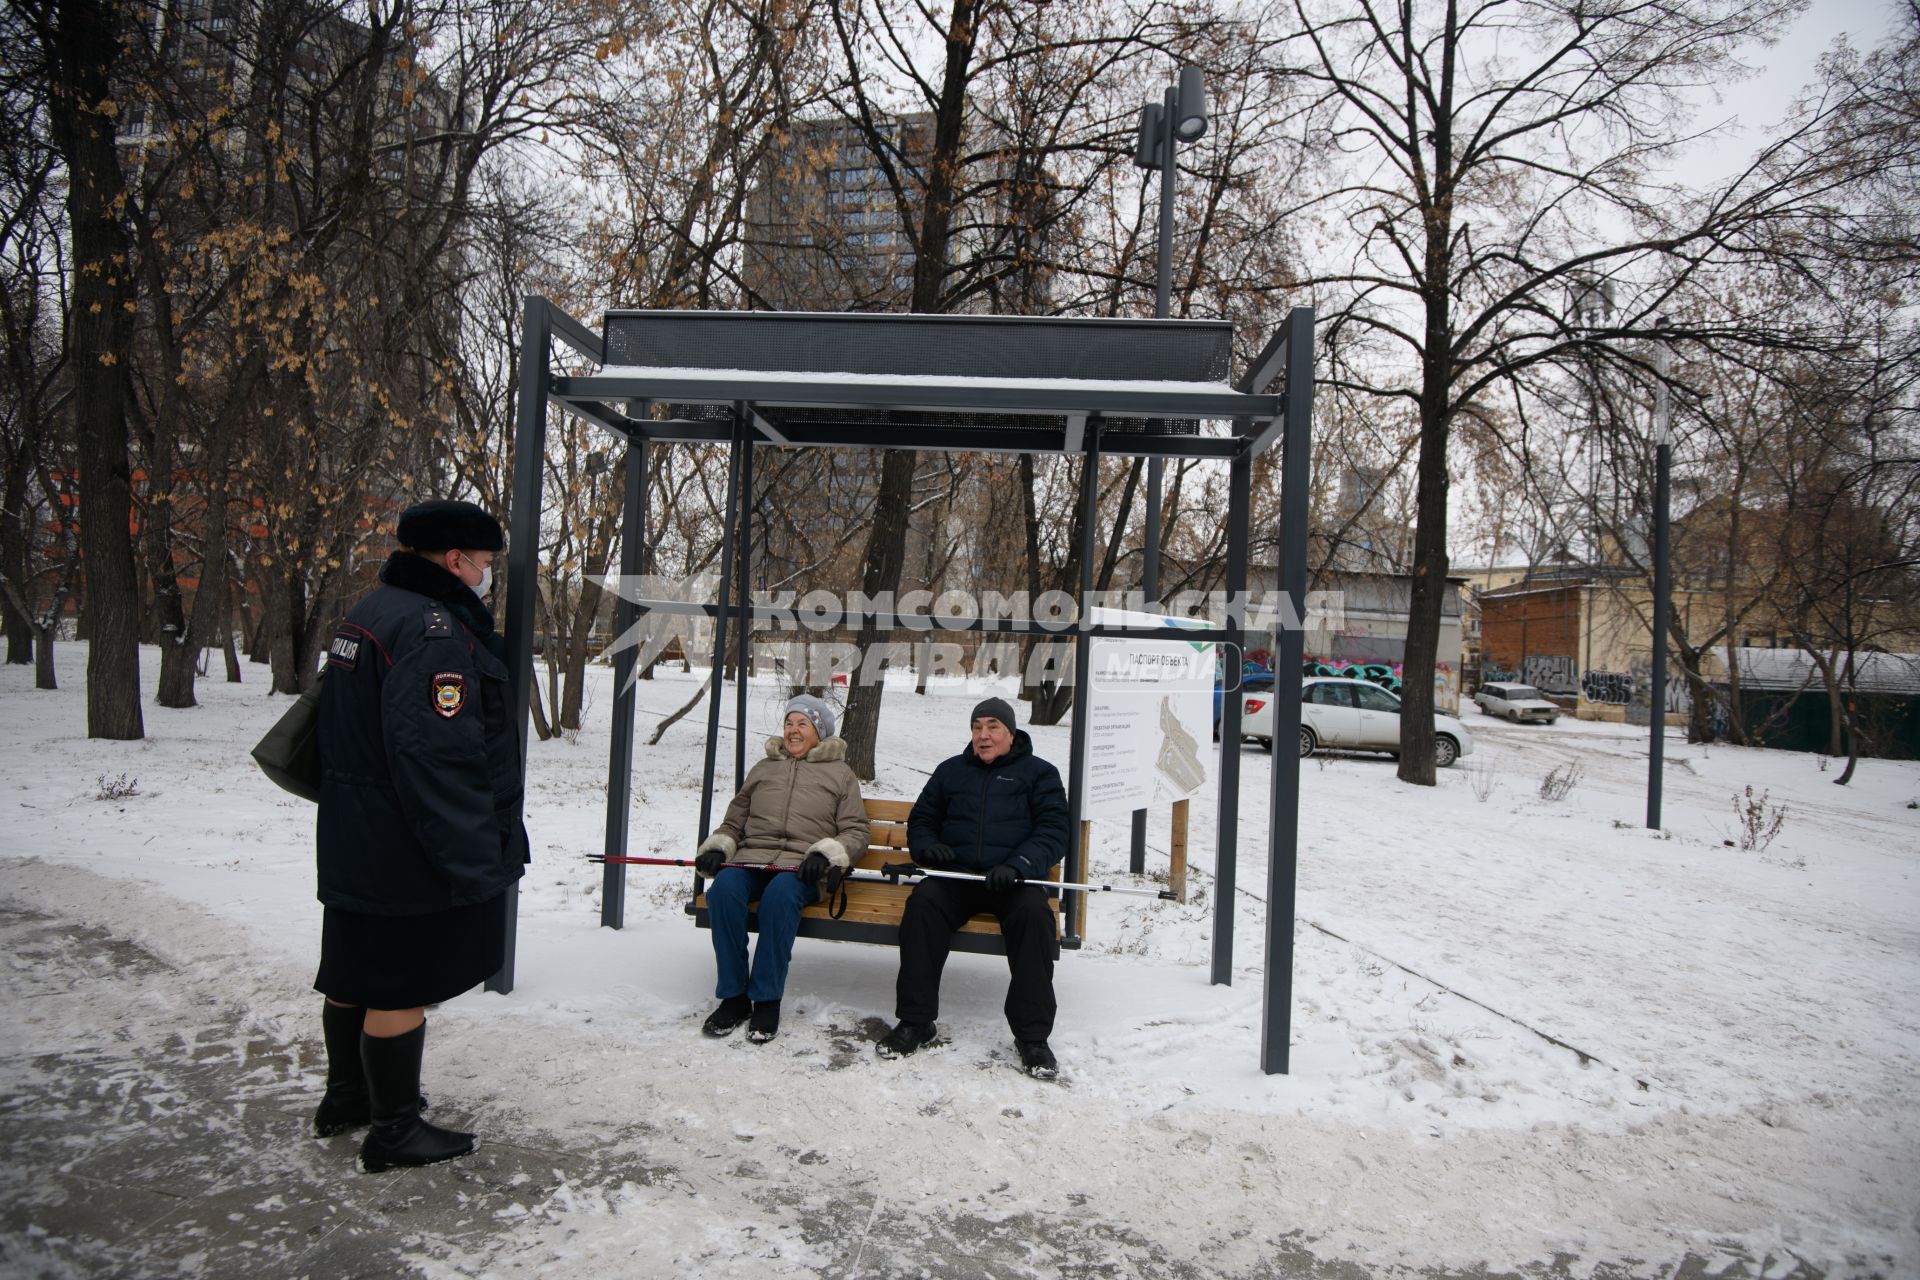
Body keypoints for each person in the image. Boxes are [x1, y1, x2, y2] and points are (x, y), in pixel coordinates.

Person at [311, 499, 529, 1172]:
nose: (489, 573)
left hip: (356, 830)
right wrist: (477, 856)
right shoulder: (434, 631)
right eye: (486, 561)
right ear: (456, 558)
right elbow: (436, 757)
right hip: (405, 842)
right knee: (399, 986)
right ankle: (395, 1129)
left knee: (355, 973)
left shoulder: (370, 611)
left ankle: (349, 1098)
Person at [878, 697, 1069, 1078]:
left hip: (1013, 880)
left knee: (1034, 917)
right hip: (958, 877)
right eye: (977, 727)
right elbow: (923, 819)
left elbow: (1053, 830)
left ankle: (1032, 1036)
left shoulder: (1040, 774)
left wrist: (1019, 865)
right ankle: (916, 1021)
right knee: (924, 905)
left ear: (1011, 734)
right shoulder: (951, 771)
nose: (983, 735)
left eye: (993, 727)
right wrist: (928, 848)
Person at [694, 694, 868, 1044]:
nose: (793, 730)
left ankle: (767, 999)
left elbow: (856, 831)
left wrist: (826, 854)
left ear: (820, 732)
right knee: (724, 891)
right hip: (752, 859)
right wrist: (718, 847)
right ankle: (734, 997)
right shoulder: (763, 769)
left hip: (800, 870)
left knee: (778, 898)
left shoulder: (841, 775)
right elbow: (734, 822)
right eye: (789, 723)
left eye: (802, 724)